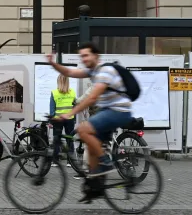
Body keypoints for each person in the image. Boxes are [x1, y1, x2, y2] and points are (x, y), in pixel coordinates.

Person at [47, 43, 134, 187]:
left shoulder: (104, 72)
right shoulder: (93, 71)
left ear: (96, 56)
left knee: (82, 130)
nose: (84, 59)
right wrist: (52, 63)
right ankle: (95, 185)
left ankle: (105, 162)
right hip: (109, 112)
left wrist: (69, 113)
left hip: (118, 111)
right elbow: (69, 72)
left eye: (86, 55)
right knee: (92, 147)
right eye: (82, 56)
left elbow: (92, 98)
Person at [49, 74, 77, 167]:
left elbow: (52, 110)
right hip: (70, 119)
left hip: (58, 119)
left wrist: (51, 121)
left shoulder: (54, 93)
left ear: (58, 82)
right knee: (69, 139)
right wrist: (74, 118)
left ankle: (55, 160)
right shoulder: (72, 92)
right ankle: (70, 161)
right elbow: (75, 106)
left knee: (57, 139)